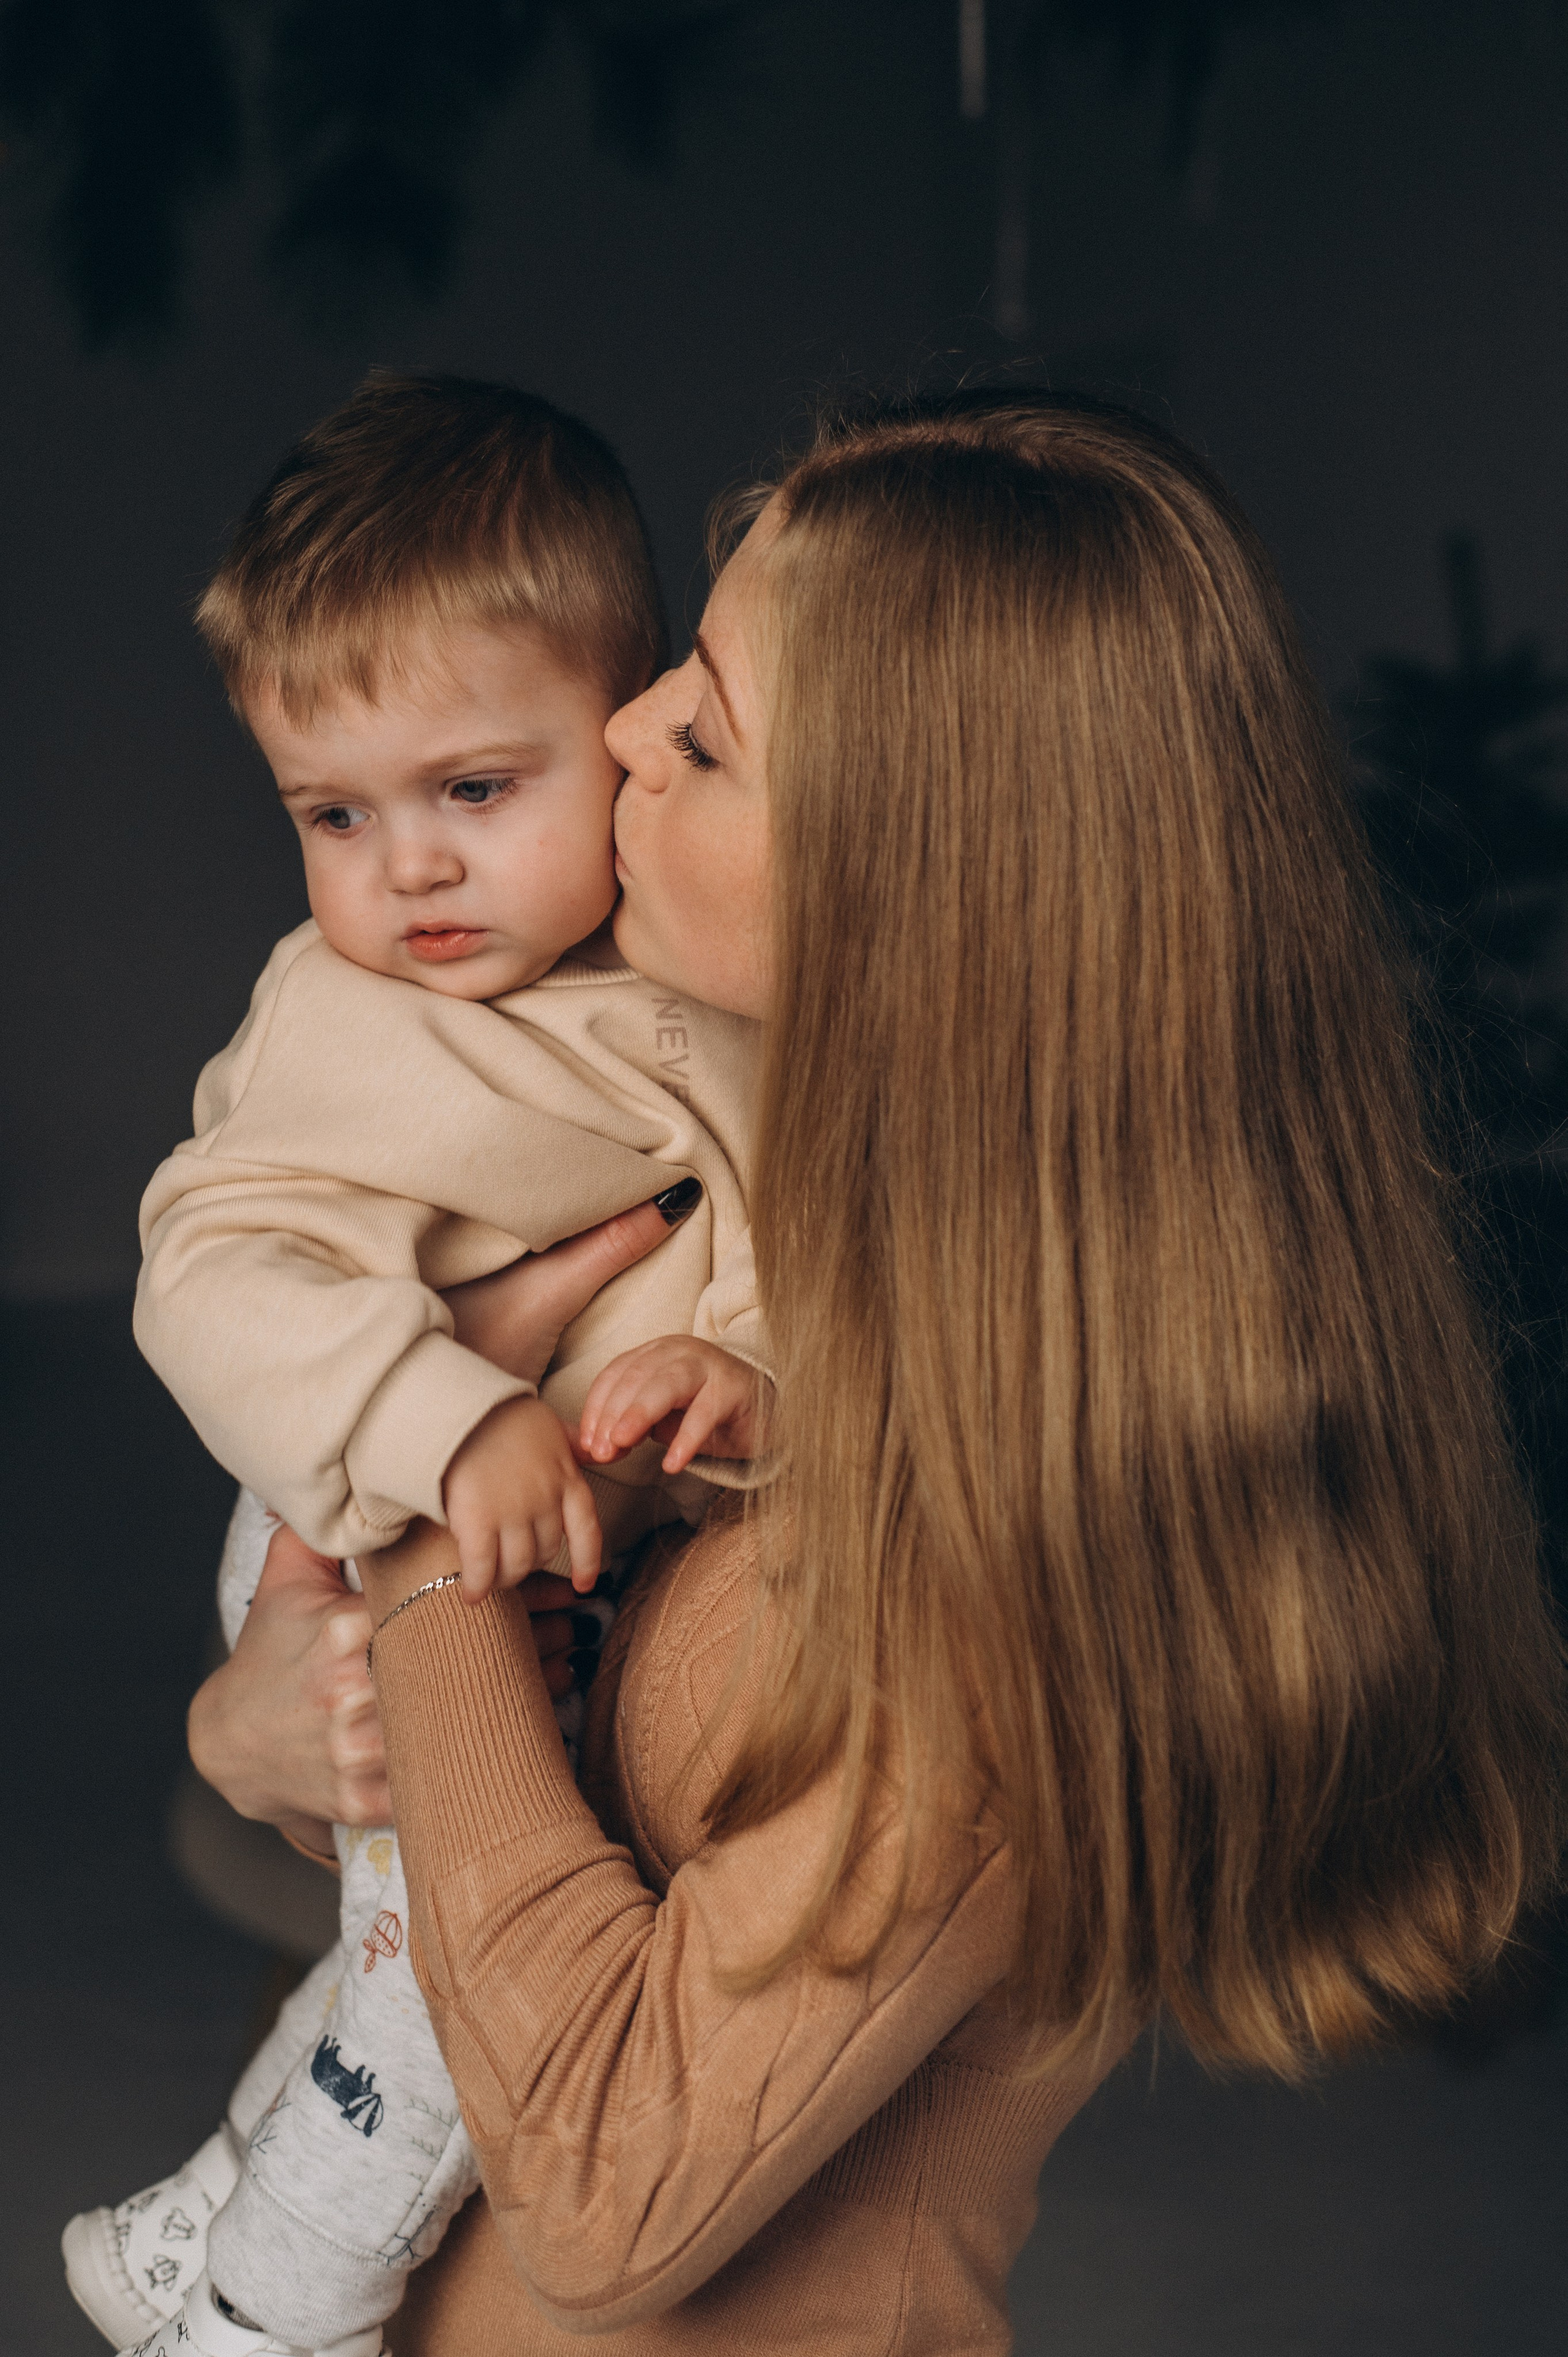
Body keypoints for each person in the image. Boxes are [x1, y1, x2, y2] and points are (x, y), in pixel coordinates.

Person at [177, 391, 1567, 2354]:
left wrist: (412, 1547)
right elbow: (493, 1808)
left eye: (711, 732)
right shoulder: (754, 1238)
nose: (631, 721)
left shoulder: (1004, 1579)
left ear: (919, 877)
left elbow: (601, 2192)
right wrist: (252, 1728)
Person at [64, 375, 773, 2357]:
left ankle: (198, 2216)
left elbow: (790, 1244)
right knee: (465, 1988)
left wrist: (755, 1387)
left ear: (628, 730)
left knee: (429, 1947)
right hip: (354, 1522)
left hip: (563, 1552)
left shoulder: (702, 984)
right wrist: (438, 1417)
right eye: (334, 816)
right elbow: (210, 1268)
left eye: (477, 790)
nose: (410, 875)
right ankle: (271, 2317)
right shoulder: (344, 1024)